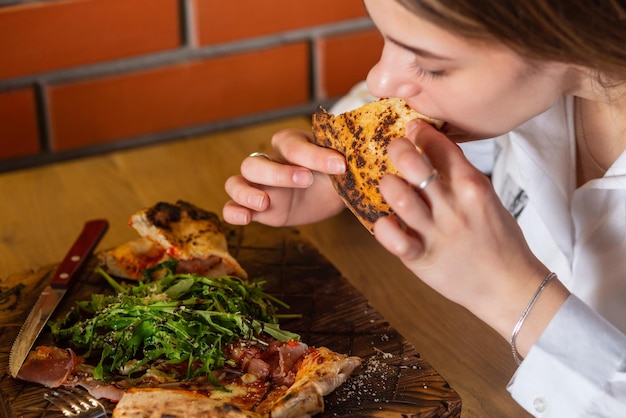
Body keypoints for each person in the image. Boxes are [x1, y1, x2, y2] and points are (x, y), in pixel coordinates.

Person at [223, 0, 626, 416]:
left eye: (432, 66)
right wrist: (342, 175)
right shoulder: (530, 94)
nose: (378, 78)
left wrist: (508, 293)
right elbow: (394, 105)